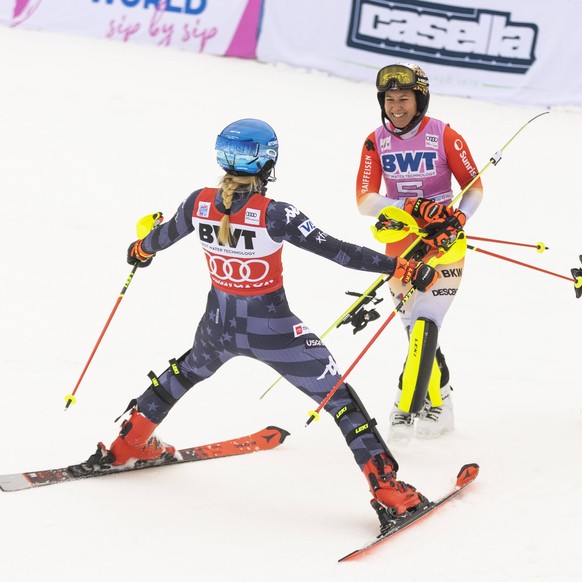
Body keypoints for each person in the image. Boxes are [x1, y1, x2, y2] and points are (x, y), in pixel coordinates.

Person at [82, 118, 439, 522]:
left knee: (182, 373)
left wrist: (140, 248)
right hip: (275, 334)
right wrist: (399, 266)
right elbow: (339, 252)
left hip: (217, 329)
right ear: (268, 162)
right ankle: (389, 490)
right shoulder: (276, 214)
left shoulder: (198, 202)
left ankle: (128, 444)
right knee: (339, 398)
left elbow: (156, 240)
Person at [355, 63, 483, 442]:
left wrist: (458, 216)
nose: (396, 107)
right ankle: (441, 403)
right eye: (390, 99)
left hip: (444, 243)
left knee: (425, 326)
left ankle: (403, 409)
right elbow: (364, 200)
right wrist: (410, 207)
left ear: (420, 99)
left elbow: (475, 187)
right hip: (399, 246)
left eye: (404, 99)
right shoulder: (374, 140)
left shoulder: (444, 135)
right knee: (415, 333)